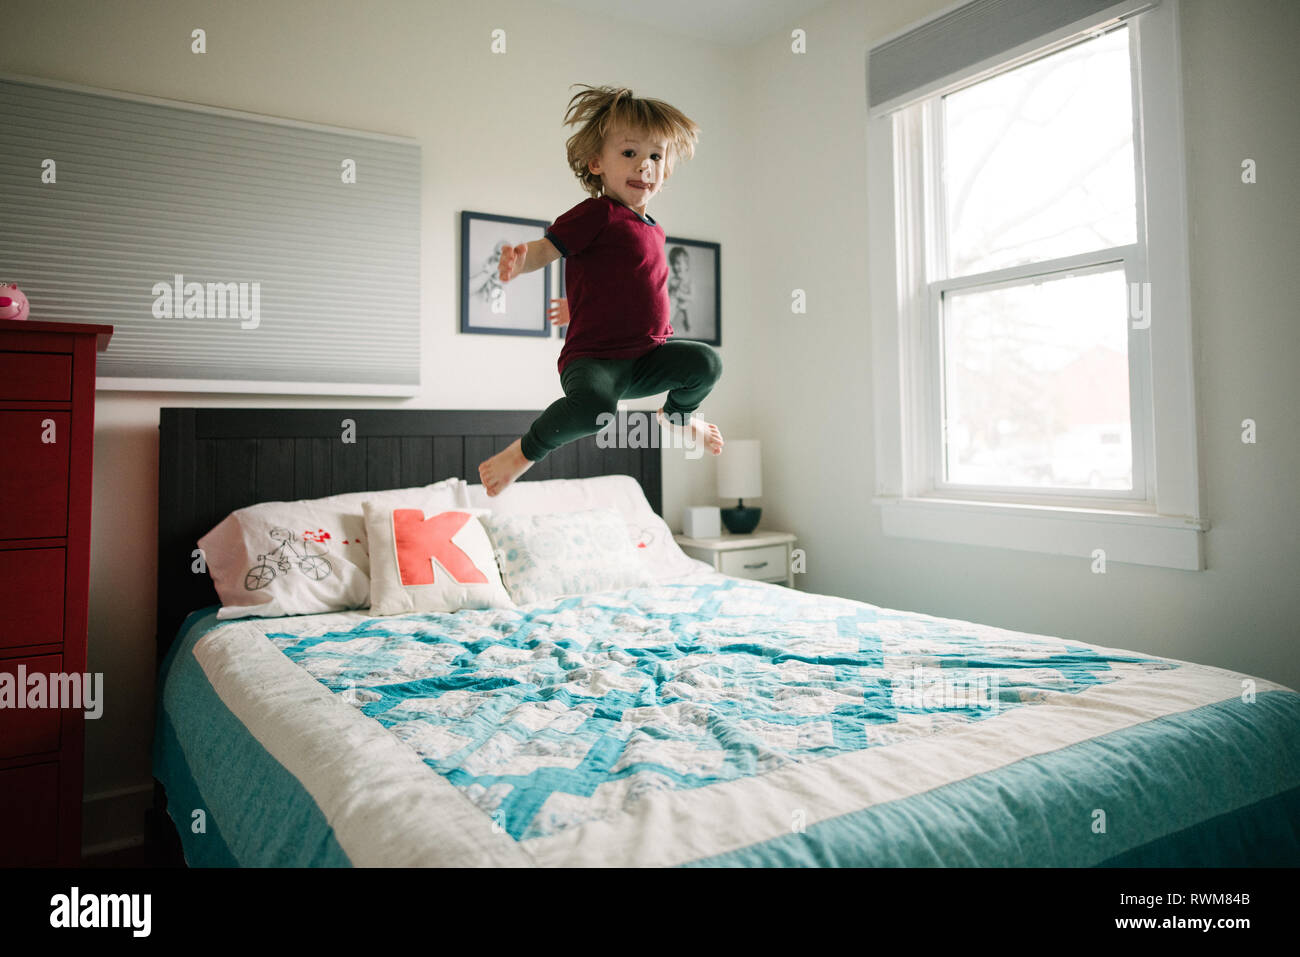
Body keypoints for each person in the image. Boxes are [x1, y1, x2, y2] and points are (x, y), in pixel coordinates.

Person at [478, 84, 724, 496]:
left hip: (647, 358)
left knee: (705, 363)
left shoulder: (655, 229)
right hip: (595, 363)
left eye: (655, 156)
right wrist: (523, 262)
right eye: (629, 153)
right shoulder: (597, 213)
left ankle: (678, 417)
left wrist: (579, 308)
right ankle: (521, 454)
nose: (644, 165)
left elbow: (622, 287)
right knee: (596, 412)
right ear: (596, 163)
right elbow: (547, 249)